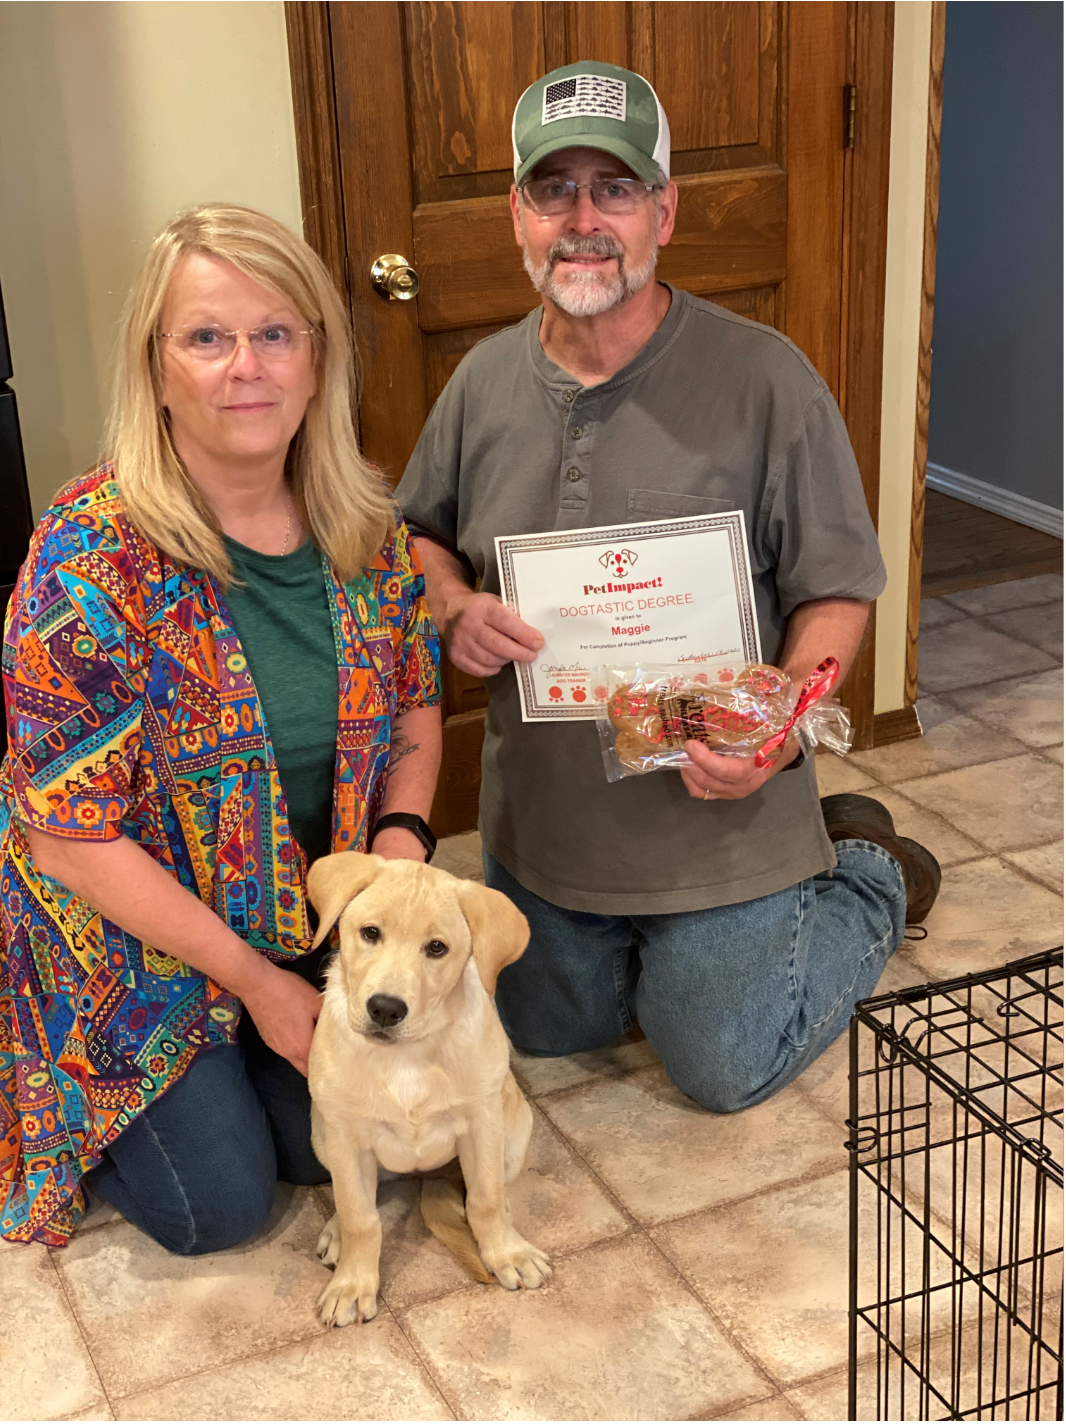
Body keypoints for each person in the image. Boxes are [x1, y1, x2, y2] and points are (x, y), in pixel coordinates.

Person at [395, 61, 940, 1113]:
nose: (584, 220)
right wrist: (450, 603)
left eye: (616, 189)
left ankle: (865, 865)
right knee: (544, 1033)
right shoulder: (479, 384)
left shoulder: (764, 377)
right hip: (544, 832)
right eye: (555, 190)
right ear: (517, 212)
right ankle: (656, 952)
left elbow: (837, 591)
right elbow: (417, 537)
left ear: (664, 210)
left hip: (718, 823)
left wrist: (775, 732)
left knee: (720, 1063)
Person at [0, 204, 442, 1251]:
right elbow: (68, 831)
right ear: (157, 369)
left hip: (306, 916)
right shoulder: (86, 558)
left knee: (353, 1154)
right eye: (206, 337)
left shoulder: (369, 530)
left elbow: (418, 696)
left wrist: (398, 847)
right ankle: (174, 1060)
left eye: (276, 332)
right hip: (127, 943)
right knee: (220, 1208)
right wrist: (257, 987)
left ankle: (246, 1050)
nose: (246, 365)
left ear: (317, 360)